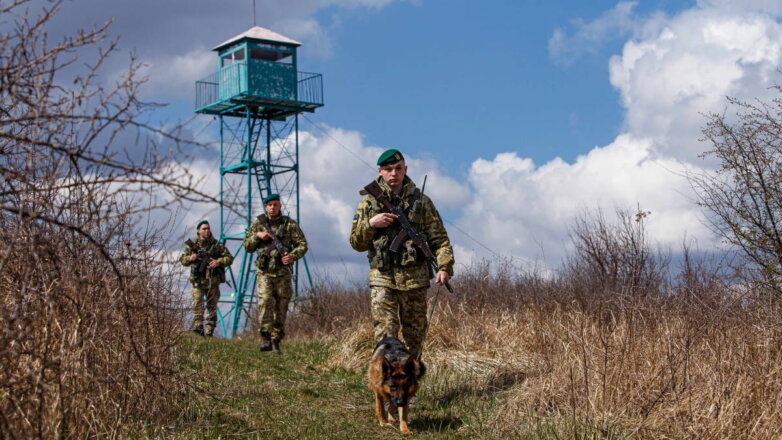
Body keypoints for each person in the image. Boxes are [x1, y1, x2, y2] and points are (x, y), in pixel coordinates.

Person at [350, 149, 454, 359]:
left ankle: (408, 387)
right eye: (388, 169)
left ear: (405, 170)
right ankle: (388, 387)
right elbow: (356, 243)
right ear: (380, 171)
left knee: (415, 336)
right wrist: (371, 224)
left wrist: (444, 267)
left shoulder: (421, 202)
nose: (393, 174)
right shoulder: (369, 203)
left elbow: (440, 240)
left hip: (415, 279)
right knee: (386, 336)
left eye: (398, 169)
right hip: (383, 278)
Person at [243, 194, 308, 354]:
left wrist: (292, 255)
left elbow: (302, 244)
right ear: (266, 206)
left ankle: (276, 340)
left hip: (282, 272)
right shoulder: (258, 224)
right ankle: (265, 337)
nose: (273, 207)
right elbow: (247, 246)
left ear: (280, 206)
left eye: (276, 204)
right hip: (264, 272)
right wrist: (257, 236)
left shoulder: (288, 224)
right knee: (265, 302)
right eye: (270, 205)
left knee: (281, 306)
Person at [180, 220, 234, 337]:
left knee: (212, 306)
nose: (207, 230)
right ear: (198, 231)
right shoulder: (192, 245)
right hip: (197, 281)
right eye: (204, 229)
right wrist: (191, 258)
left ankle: (209, 331)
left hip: (212, 281)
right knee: (197, 303)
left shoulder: (217, 245)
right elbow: (183, 260)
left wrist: (218, 262)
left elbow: (229, 258)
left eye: (208, 228)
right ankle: (199, 327)